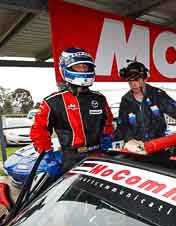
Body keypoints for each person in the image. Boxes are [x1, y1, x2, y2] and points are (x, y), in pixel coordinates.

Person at [30, 47, 114, 177]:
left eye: (85, 67)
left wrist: (107, 136)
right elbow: (39, 131)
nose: (83, 70)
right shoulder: (53, 101)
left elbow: (108, 121)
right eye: (78, 67)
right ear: (65, 69)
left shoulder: (99, 98)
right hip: (71, 158)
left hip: (98, 153)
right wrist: (47, 155)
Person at [118, 60, 176, 150]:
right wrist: (129, 139)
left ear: (145, 78)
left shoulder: (157, 95)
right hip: (137, 150)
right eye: (130, 81)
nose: (133, 84)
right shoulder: (126, 100)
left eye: (137, 80)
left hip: (159, 147)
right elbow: (122, 125)